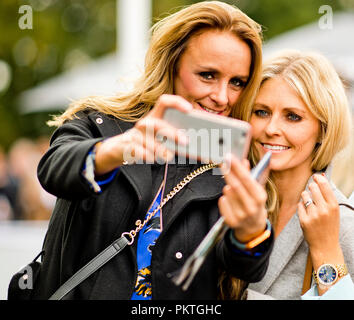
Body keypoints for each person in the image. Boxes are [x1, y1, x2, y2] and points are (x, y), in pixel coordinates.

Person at [32, 1, 274, 300]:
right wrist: (115, 150)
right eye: (208, 75)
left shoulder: (232, 167)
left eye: (237, 82)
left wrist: (251, 231)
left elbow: (244, 269)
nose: (222, 97)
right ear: (172, 64)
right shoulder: (99, 122)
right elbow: (54, 170)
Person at [219, 50, 354, 300]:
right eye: (261, 112)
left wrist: (326, 251)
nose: (271, 129)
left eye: (293, 117)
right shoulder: (221, 192)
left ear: (324, 130)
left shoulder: (342, 225)